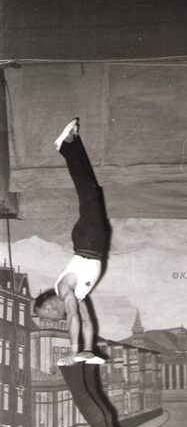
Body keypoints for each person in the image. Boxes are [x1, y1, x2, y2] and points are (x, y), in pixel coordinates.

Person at [34, 118, 109, 366]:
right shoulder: (77, 297)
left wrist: (73, 351)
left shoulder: (65, 290)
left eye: (46, 309)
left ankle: (65, 147)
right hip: (94, 244)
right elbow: (87, 321)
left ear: (48, 299)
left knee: (88, 190)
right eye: (48, 316)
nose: (52, 314)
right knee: (91, 189)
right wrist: (87, 350)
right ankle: (72, 140)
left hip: (88, 241)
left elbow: (74, 318)